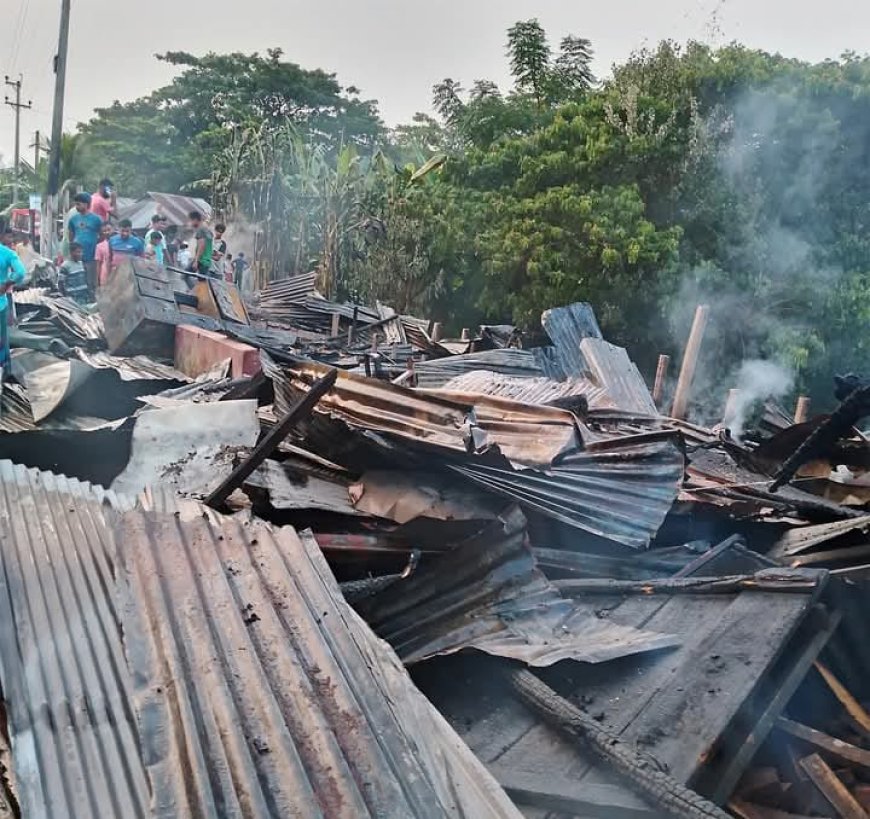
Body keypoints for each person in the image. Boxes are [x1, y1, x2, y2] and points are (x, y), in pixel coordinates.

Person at [68, 192, 103, 298]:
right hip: (77, 258)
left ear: (86, 204)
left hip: (91, 256)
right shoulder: (73, 219)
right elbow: (71, 234)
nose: (76, 207)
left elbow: (102, 235)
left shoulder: (96, 219)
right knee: (77, 280)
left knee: (90, 282)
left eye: (79, 204)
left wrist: (94, 245)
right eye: (76, 204)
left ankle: (91, 302)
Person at [0, 237, 27, 375]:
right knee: (2, 342)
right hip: (1, 304)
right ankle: (4, 374)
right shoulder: (6, 253)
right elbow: (21, 272)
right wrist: (6, 283)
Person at [188, 210, 213, 277]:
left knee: (185, 276)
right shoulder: (208, 231)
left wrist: (196, 261)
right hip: (206, 261)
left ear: (195, 220)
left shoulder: (200, 230)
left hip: (201, 261)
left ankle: (193, 287)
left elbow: (202, 245)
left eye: (191, 221)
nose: (190, 223)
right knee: (202, 281)